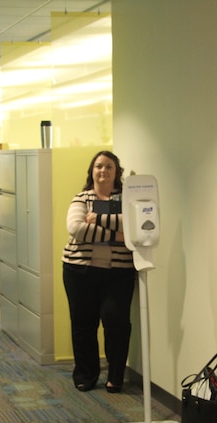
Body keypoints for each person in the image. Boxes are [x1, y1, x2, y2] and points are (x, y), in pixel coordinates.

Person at [62, 151, 135, 393]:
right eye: (99, 166)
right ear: (92, 171)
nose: (103, 171)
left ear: (117, 172)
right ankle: (85, 374)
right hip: (79, 270)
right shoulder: (81, 199)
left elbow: (134, 224)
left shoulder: (128, 199)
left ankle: (115, 376)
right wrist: (116, 234)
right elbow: (76, 228)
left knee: (116, 324)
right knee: (83, 324)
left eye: (109, 167)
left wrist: (99, 218)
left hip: (119, 273)